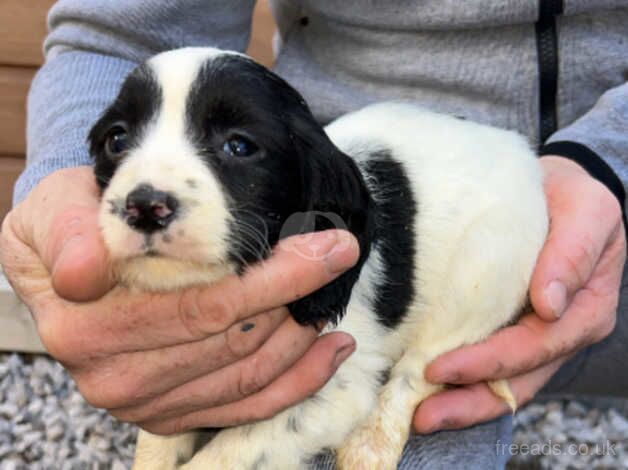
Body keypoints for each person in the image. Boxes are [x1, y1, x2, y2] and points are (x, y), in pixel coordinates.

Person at [0, 1, 626, 468]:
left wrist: (607, 163)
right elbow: (117, 32)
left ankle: (409, 388)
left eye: (237, 146)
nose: (147, 196)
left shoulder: (326, 212)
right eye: (117, 142)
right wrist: (57, 204)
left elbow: (333, 393)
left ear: (308, 178)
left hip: (510, 220)